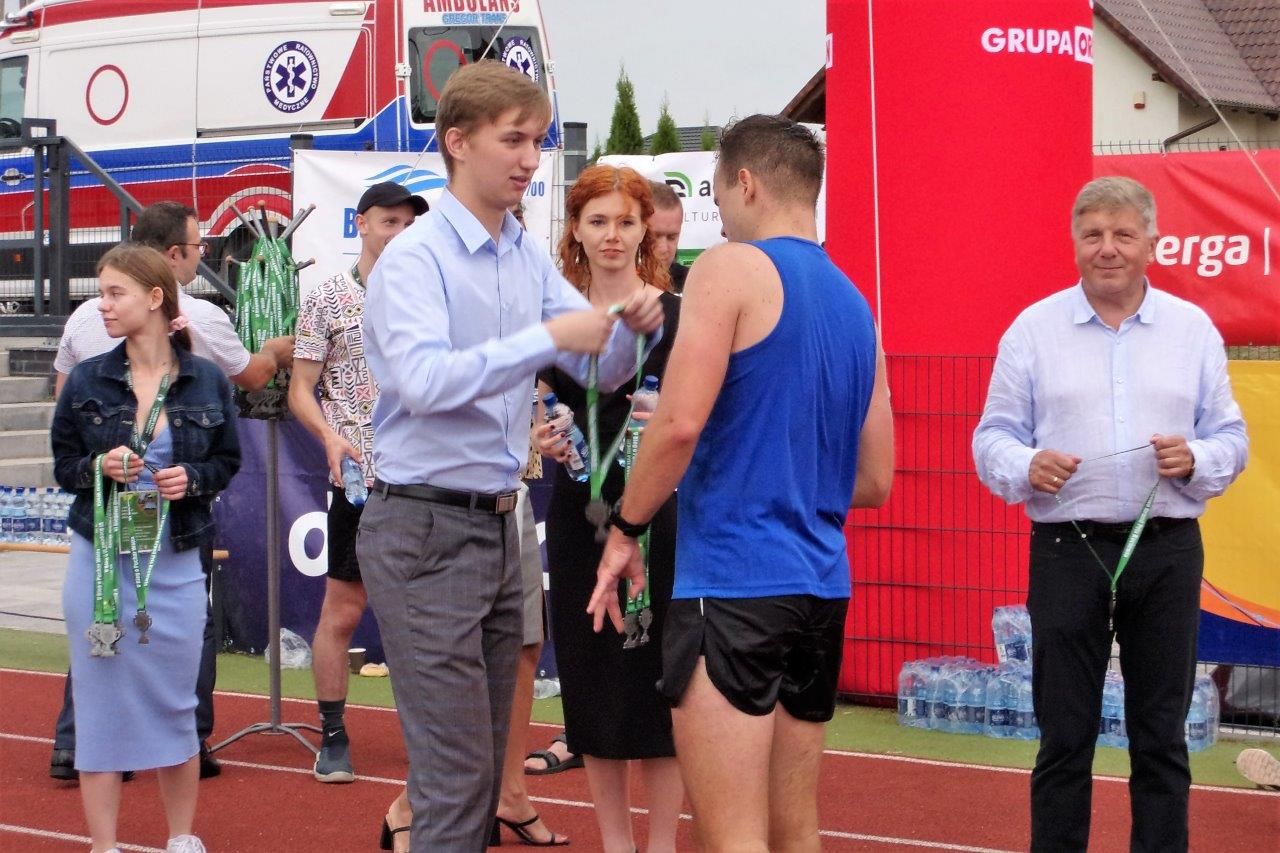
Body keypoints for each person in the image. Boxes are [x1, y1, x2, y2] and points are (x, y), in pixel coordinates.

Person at [357, 60, 663, 851]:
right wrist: (548, 337)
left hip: (498, 522)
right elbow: (425, 383)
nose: (531, 158)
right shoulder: (415, 259)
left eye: (538, 140)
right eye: (515, 139)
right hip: (424, 526)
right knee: (457, 777)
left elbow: (601, 371)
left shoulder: (521, 252)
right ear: (458, 142)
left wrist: (637, 328)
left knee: (483, 774)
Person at [588, 115, 894, 852]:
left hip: (732, 584)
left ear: (746, 183)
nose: (719, 215)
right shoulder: (856, 303)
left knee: (731, 837)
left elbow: (678, 425)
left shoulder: (729, 269)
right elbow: (875, 478)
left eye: (720, 197)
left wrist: (624, 530)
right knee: (793, 831)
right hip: (820, 588)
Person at [972, 176, 1249, 851]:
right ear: (1074, 243)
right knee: (1063, 735)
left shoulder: (1192, 330)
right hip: (1067, 551)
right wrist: (1025, 464)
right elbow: (992, 436)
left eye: (1124, 234)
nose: (1108, 248)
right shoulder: (1033, 330)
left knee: (1161, 736)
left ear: (1152, 243)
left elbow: (1231, 438)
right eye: (1093, 234)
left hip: (1167, 549)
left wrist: (1196, 457)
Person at [48, 201, 294, 782]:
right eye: (198, 246)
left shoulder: (82, 318)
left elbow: (62, 402)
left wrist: (174, 471)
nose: (202, 256)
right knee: (155, 625)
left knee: (103, 622)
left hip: (148, 517)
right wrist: (278, 350)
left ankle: (76, 743)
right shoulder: (201, 316)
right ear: (175, 256)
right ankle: (188, 739)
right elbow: (252, 378)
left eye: (116, 292)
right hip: (143, 520)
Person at [51, 242, 242, 853]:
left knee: (176, 702)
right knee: (99, 702)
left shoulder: (206, 379)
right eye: (100, 293)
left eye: (115, 293)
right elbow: (63, 465)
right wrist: (98, 466)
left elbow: (227, 461)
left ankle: (181, 837)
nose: (102, 305)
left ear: (156, 298)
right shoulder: (88, 378)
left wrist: (194, 479)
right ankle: (104, 845)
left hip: (177, 558)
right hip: (101, 564)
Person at [535, 165, 682, 852]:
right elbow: (531, 406)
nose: (612, 235)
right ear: (575, 229)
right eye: (598, 221)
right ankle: (616, 844)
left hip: (661, 519)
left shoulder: (677, 315)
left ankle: (661, 845)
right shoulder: (556, 319)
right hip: (581, 517)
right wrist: (534, 436)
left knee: (659, 687)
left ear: (646, 227)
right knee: (591, 685)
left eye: (626, 221)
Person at [287, 182, 423, 849]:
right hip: (360, 482)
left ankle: (429, 742)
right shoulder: (328, 297)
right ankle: (333, 732)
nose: (399, 232)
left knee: (425, 620)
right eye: (388, 221)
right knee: (342, 612)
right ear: (362, 223)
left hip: (427, 481)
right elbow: (299, 388)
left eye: (408, 223)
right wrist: (331, 439)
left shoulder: (432, 293)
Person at [647, 181, 687, 294]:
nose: (664, 248)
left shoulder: (693, 285)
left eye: (671, 237)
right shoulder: (607, 286)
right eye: (654, 236)